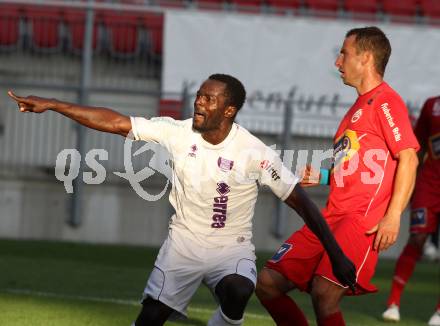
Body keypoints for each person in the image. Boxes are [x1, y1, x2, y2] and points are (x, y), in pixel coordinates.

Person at [7, 73, 356, 326]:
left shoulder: (255, 152)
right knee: (151, 318)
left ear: (229, 110)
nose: (199, 103)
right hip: (183, 246)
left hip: (230, 248)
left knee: (239, 290)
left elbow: (301, 202)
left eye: (210, 98)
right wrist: (53, 104)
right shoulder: (177, 132)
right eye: (200, 96)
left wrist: (336, 255)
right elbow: (115, 122)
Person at [255, 26, 420, 326]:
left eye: (344, 53)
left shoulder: (386, 101)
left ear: (366, 58)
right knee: (267, 282)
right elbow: (365, 166)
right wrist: (324, 175)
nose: (337, 62)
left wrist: (394, 215)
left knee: (325, 293)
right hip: (331, 217)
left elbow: (409, 158)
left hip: (360, 221)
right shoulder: (357, 108)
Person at [382, 96, 440, 325]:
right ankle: (393, 303)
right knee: (417, 239)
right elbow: (416, 145)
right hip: (429, 185)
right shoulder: (432, 105)